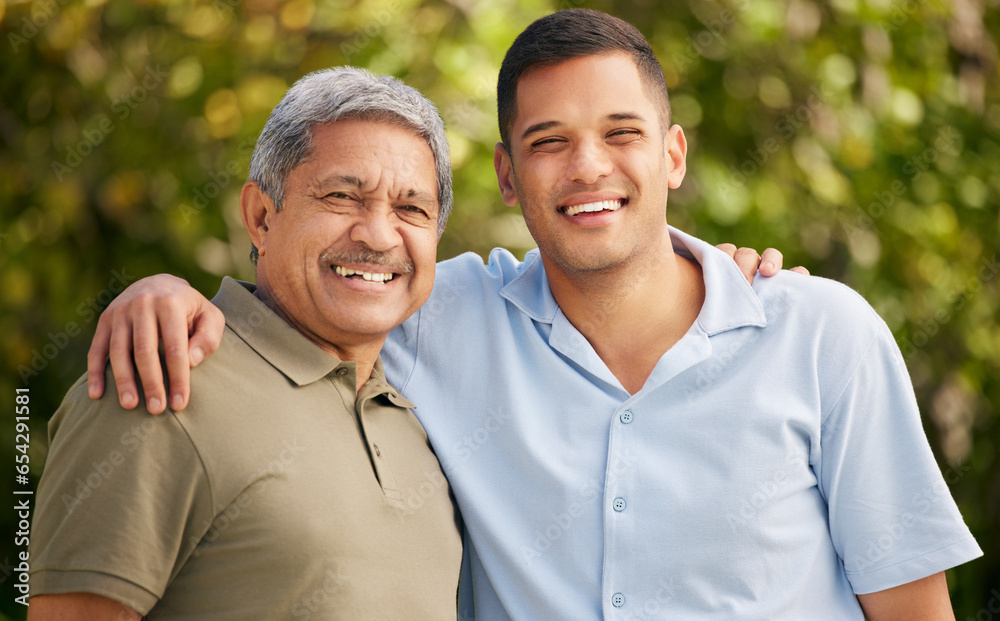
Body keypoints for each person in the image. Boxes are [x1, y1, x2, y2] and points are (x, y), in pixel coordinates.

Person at [86, 9, 981, 620]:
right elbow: (319, 284)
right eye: (549, 142)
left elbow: (912, 609)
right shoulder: (439, 317)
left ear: (671, 154)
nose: (588, 167)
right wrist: (161, 295)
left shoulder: (823, 335)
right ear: (509, 176)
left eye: (620, 134)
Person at [28, 67, 464, 619]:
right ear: (260, 217)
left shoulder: (418, 423)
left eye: (411, 209)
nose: (378, 234)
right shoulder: (161, 380)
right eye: (341, 196)